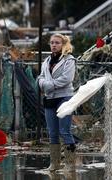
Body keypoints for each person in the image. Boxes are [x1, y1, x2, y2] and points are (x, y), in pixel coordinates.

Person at [37, 33, 76, 171]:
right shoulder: (46, 61)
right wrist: (42, 83)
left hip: (64, 97)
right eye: (52, 42)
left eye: (57, 43)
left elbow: (67, 78)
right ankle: (54, 163)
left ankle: (70, 164)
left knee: (64, 130)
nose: (54, 45)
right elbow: (41, 77)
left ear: (63, 44)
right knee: (52, 132)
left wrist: (50, 85)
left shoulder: (69, 60)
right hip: (49, 98)